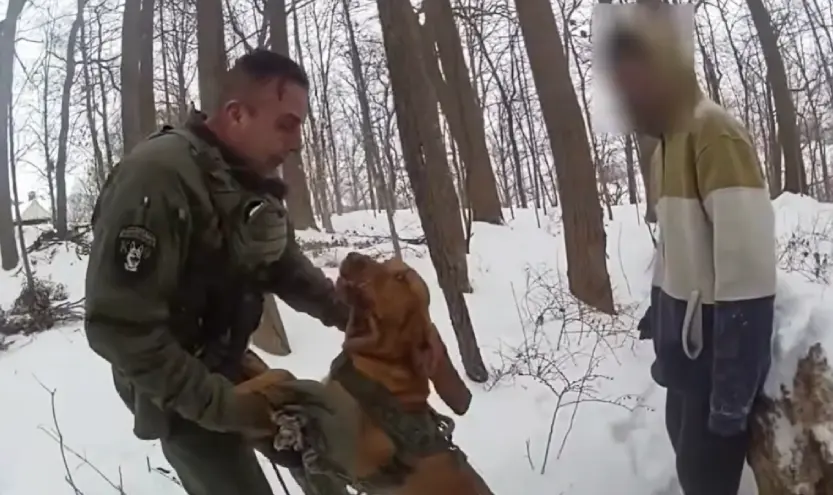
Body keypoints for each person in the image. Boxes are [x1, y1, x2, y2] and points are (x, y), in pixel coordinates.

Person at [84, 49, 351, 495]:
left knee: (321, 444)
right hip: (172, 384)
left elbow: (282, 264)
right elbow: (117, 329)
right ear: (237, 114)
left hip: (225, 359)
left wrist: (348, 313)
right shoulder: (157, 177)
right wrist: (222, 406)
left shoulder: (244, 176)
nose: (296, 142)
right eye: (286, 124)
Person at [603, 11, 776, 495]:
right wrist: (659, 314)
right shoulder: (665, 148)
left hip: (717, 364)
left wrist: (731, 396)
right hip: (683, 358)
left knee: (706, 482)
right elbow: (675, 248)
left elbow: (750, 276)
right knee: (689, 469)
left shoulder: (715, 135)